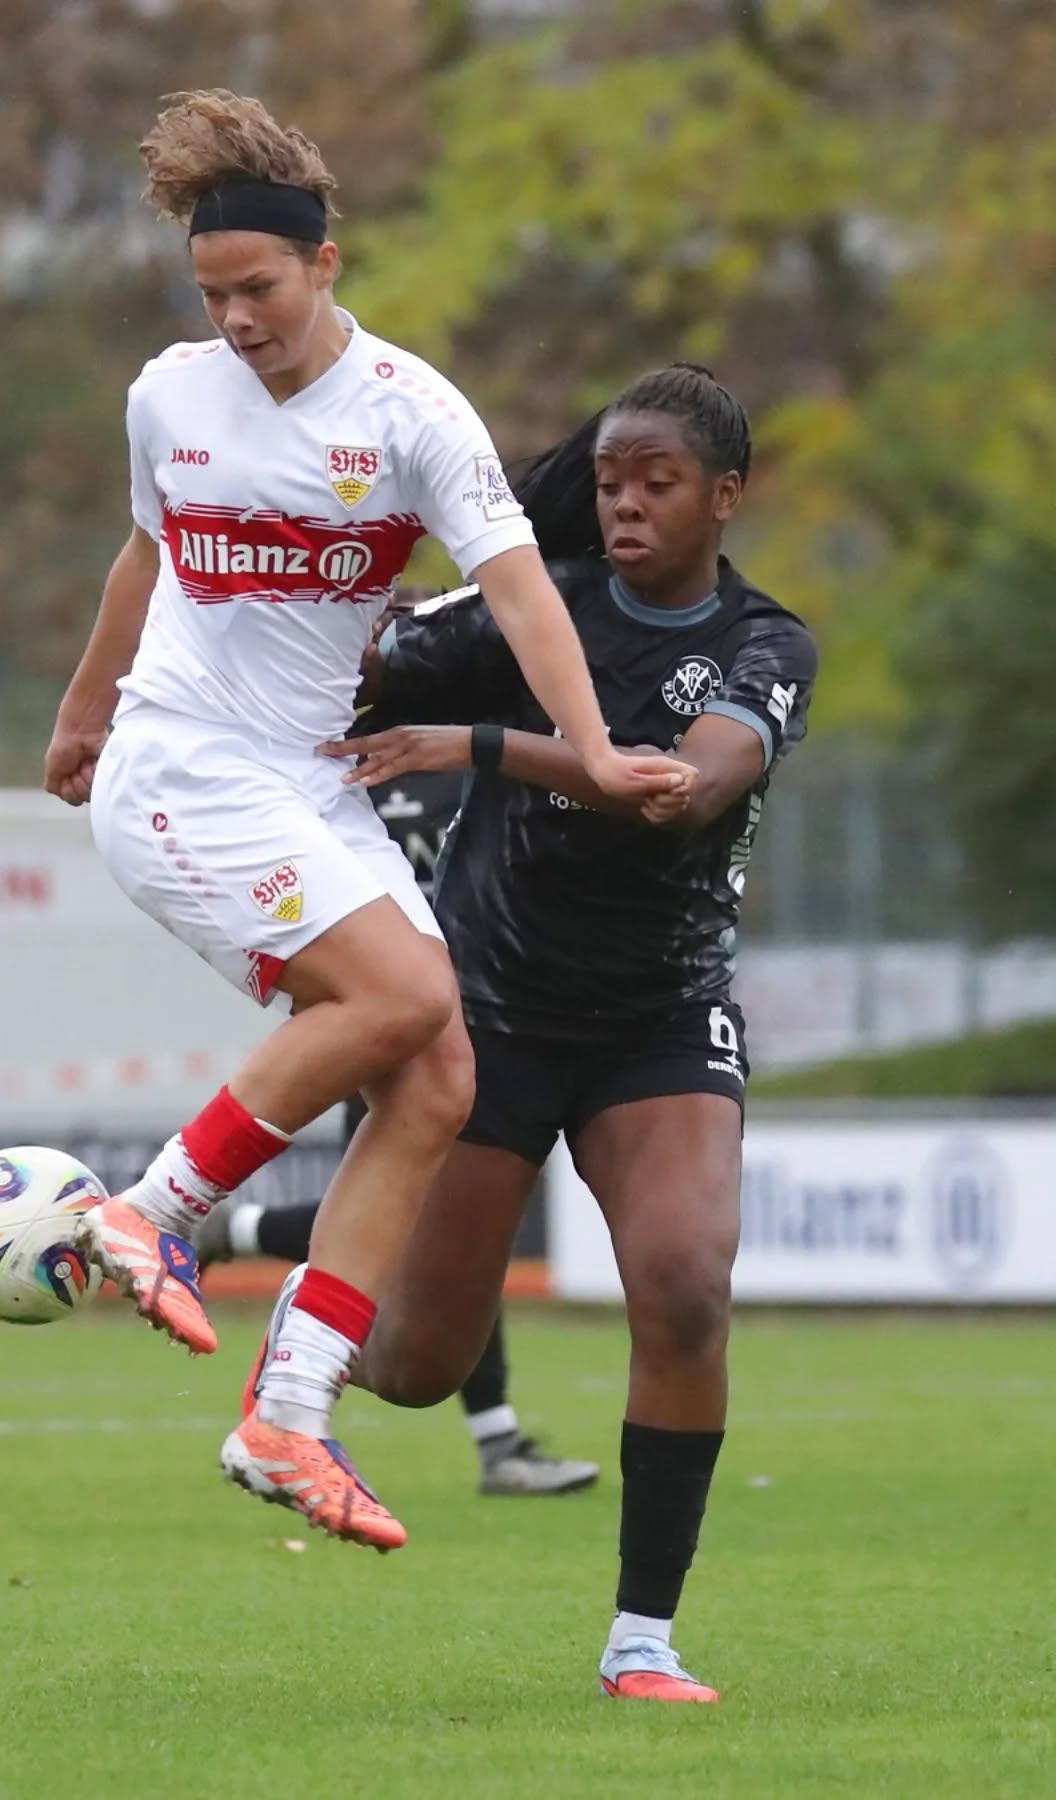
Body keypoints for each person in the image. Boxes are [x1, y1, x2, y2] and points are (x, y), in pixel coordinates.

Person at [43, 89, 692, 1552]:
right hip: (184, 764)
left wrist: (591, 751)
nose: (238, 323)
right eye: (213, 297)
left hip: (307, 781)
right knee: (406, 991)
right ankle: (150, 1210)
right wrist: (85, 713)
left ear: (327, 261)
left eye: (259, 290)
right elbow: (142, 560)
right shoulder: (169, 395)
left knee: (441, 1071)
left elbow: (522, 595)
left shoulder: (411, 416)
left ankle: (290, 1412)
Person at [242, 363, 819, 1696]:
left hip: (659, 1019)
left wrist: (478, 746)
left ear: (724, 498)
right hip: (486, 1017)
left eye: (658, 485)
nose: (625, 505)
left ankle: (642, 1643)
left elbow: (681, 788)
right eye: (609, 481)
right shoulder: (523, 606)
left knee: (683, 1287)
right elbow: (350, 668)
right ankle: (307, 1311)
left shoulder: (762, 647)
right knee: (415, 1369)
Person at [197, 761, 600, 1498]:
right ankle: (482, 1438)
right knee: (430, 1229)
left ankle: (242, 1236)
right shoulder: (392, 783)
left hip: (454, 1026)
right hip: (415, 1030)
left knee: (445, 1235)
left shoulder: (399, 777)